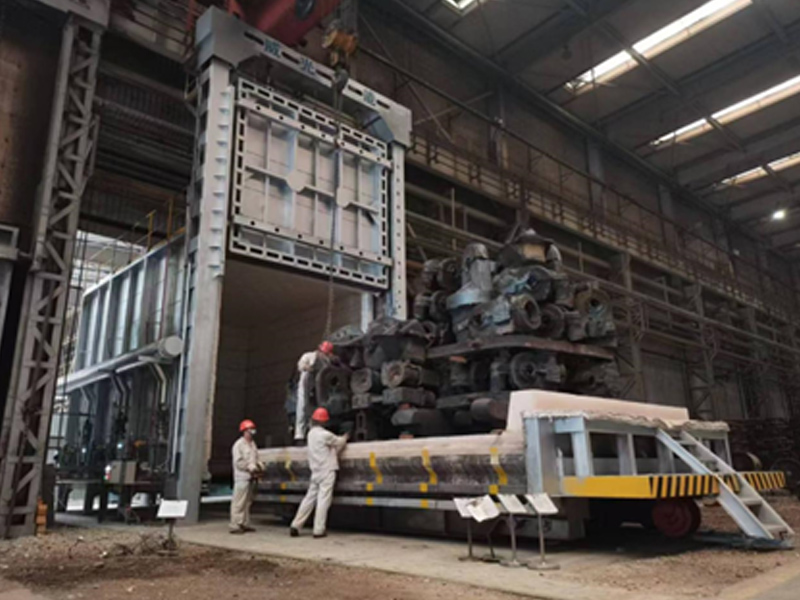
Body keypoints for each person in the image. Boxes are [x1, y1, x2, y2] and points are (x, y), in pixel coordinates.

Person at [289, 407, 348, 538]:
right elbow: (339, 442)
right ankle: (318, 530)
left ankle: (296, 525)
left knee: (309, 499)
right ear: (324, 421)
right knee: (323, 500)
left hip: (315, 471)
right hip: (327, 471)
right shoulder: (325, 435)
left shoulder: (311, 434)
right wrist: (345, 436)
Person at [230, 419, 264, 534]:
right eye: (250, 430)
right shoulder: (239, 445)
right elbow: (238, 462)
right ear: (244, 431)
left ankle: (244, 523)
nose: (252, 432)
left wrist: (259, 466)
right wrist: (249, 467)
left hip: (251, 478)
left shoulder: (253, 444)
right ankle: (235, 524)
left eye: (253, 430)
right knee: (239, 502)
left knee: (247, 502)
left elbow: (256, 458)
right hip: (242, 478)